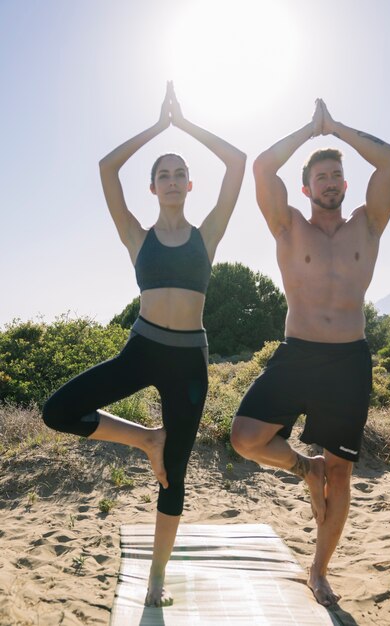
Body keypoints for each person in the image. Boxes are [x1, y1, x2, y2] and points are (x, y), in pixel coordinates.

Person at [42, 82, 246, 607]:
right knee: (59, 409)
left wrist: (188, 125)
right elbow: (108, 170)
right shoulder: (137, 236)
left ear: (189, 185)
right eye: (164, 175)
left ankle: (157, 577)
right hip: (142, 348)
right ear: (153, 188)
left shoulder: (209, 234)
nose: (173, 181)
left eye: (180, 174)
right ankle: (143, 439)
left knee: (173, 476)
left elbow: (238, 162)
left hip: (189, 362)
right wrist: (159, 128)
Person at [231, 99, 390, 607]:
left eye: (336, 176)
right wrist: (310, 130)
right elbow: (262, 167)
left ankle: (319, 570)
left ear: (345, 185)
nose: (330, 182)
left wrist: (339, 130)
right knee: (245, 438)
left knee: (342, 473)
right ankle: (305, 468)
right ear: (306, 188)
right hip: (298, 353)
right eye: (321, 177)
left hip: (349, 361)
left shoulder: (369, 225)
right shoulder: (288, 227)